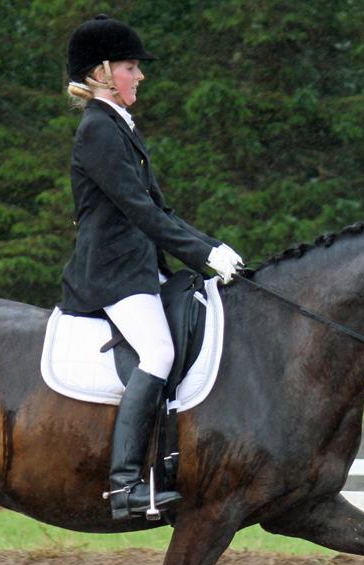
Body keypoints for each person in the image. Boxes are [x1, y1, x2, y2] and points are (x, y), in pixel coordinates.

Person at [61, 15, 245, 521]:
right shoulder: (98, 130)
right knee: (159, 352)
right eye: (130, 66)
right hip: (111, 273)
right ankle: (124, 486)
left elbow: (159, 209)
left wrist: (213, 249)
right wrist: (202, 255)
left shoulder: (120, 127)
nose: (139, 76)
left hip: (139, 266)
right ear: (101, 72)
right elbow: (137, 213)